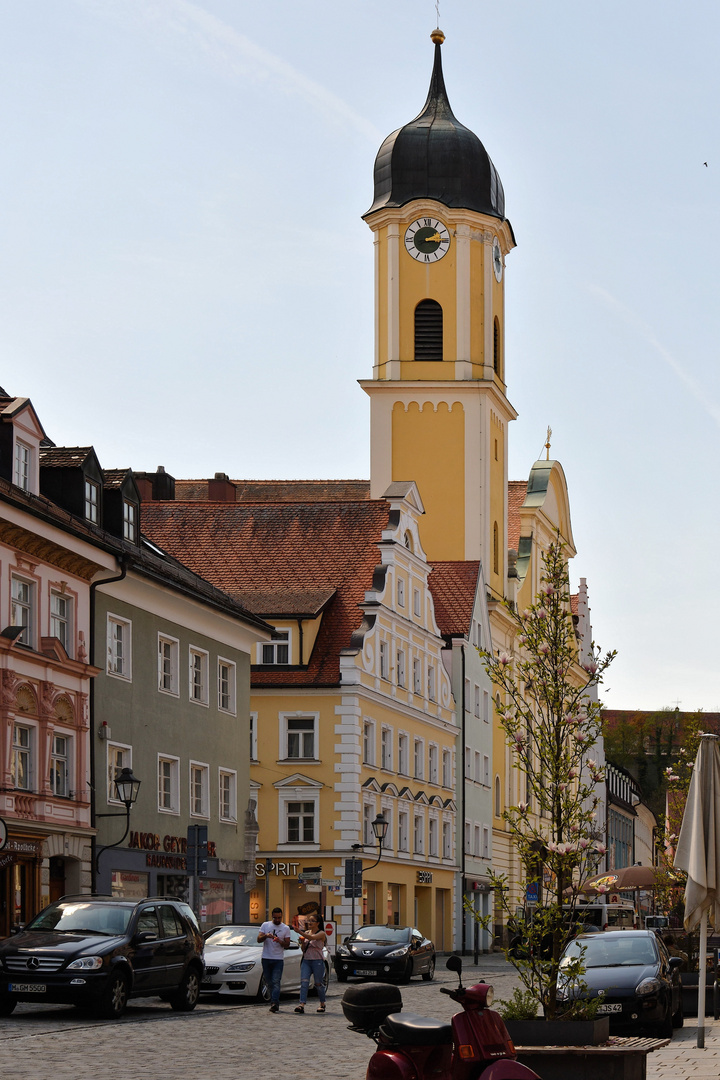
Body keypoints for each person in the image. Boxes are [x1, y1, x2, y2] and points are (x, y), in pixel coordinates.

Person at [258, 907, 291, 1012]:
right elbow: (258, 939)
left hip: (278, 959)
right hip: (266, 957)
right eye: (275, 918)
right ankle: (273, 1000)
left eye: (279, 918)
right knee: (269, 982)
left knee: (276, 981)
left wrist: (280, 941)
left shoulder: (285, 928)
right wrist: (266, 936)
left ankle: (274, 1003)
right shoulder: (265, 925)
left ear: (281, 917)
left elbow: (287, 944)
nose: (277, 920)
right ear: (272, 916)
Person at [294, 913, 328, 1014]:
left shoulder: (321, 933)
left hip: (317, 961)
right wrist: (302, 942)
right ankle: (301, 1005)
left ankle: (322, 1003)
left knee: (318, 984)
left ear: (318, 923)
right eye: (309, 921)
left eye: (312, 921)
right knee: (304, 982)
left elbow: (312, 938)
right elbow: (303, 948)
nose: (309, 923)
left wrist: (300, 932)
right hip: (307, 960)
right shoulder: (307, 932)